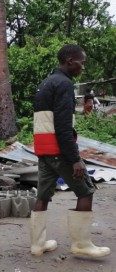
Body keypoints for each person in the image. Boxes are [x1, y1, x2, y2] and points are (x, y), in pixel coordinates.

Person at [30, 44, 110, 258]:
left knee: (43, 195)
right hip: (59, 150)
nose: (82, 67)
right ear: (69, 61)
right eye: (81, 62)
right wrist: (75, 160)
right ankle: (82, 245)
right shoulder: (64, 85)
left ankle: (38, 245)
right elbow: (63, 127)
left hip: (43, 149)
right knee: (86, 191)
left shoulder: (46, 83)